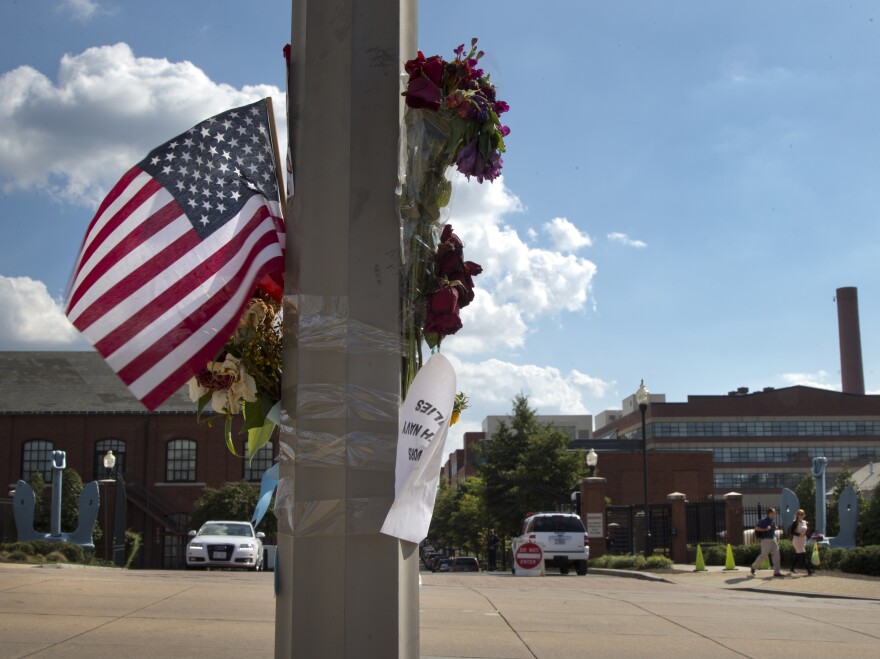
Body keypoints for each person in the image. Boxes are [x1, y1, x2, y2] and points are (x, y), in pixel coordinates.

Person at [751, 507, 786, 577]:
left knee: (777, 555)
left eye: (775, 513)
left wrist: (775, 527)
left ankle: (776, 572)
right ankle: (753, 567)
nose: (774, 515)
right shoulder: (763, 521)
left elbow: (771, 528)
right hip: (766, 540)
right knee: (763, 556)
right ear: (769, 513)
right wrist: (765, 529)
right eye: (773, 513)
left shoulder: (772, 521)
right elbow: (756, 528)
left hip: (773, 539)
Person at [788, 509, 813, 575]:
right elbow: (792, 532)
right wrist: (799, 534)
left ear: (804, 515)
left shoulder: (805, 522)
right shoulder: (795, 523)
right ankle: (809, 571)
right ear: (797, 515)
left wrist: (810, 537)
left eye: (802, 514)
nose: (801, 515)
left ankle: (792, 568)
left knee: (798, 555)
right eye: (799, 514)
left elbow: (806, 532)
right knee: (803, 554)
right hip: (797, 541)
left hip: (803, 540)